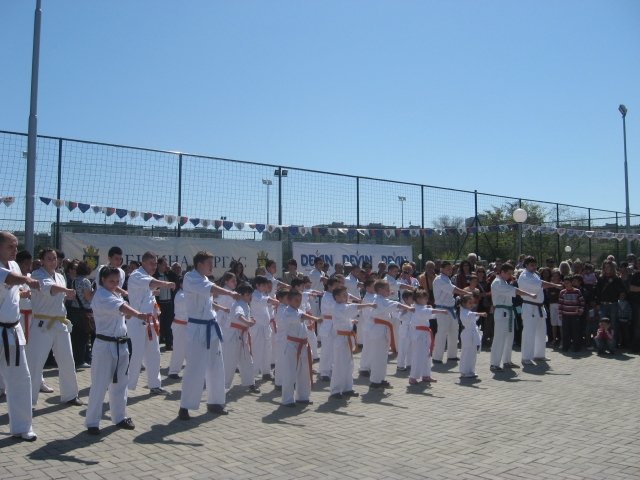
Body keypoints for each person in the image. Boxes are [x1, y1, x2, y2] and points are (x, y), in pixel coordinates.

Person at [85, 267, 151, 435]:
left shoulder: (115, 294)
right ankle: (92, 422)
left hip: (121, 344)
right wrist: (139, 315)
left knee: (121, 383)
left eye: (117, 281)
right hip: (104, 345)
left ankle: (120, 417)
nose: (114, 284)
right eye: (111, 281)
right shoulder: (101, 295)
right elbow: (123, 309)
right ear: (102, 280)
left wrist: (130, 312)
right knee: (100, 384)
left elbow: (124, 312)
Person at [178, 251, 238, 420]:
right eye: (209, 263)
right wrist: (230, 293)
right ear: (199, 264)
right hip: (197, 328)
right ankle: (185, 406)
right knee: (195, 368)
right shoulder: (190, 277)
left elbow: (210, 300)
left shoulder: (204, 279)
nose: (212, 266)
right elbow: (211, 289)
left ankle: (215, 402)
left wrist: (222, 306)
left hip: (211, 327)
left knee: (216, 366)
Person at [29, 248, 83, 408]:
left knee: (67, 360)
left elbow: (60, 297)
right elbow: (50, 288)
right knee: (35, 363)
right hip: (42, 324)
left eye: (54, 258)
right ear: (42, 261)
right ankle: (28, 400)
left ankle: (70, 395)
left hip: (60, 323)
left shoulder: (60, 276)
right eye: (49, 258)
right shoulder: (37, 275)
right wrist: (66, 291)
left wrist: (66, 293)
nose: (53, 261)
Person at [0, 231, 40, 441]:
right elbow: (8, 279)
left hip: (12, 330)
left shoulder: (15, 265)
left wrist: (23, 291)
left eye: (16, 246)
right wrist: (27, 279)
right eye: (10, 246)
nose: (15, 250)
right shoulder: (12, 272)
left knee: (21, 379)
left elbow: (13, 289)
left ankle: (22, 427)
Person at [126, 251, 175, 395]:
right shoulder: (136, 275)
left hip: (151, 322)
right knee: (136, 355)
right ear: (143, 262)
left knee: (154, 354)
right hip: (137, 321)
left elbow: (145, 294)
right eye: (151, 263)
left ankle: (155, 385)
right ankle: (125, 387)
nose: (154, 267)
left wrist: (153, 295)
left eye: (155, 264)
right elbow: (151, 283)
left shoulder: (147, 276)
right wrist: (166, 284)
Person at [329, 286, 376, 399]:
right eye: (344, 295)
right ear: (337, 297)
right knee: (339, 364)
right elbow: (352, 307)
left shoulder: (342, 306)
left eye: (346, 294)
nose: (346, 297)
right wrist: (369, 305)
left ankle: (347, 388)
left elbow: (345, 316)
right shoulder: (338, 307)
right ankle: (335, 390)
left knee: (349, 364)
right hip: (341, 339)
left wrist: (351, 321)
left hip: (347, 338)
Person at [489, 263, 537, 372]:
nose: (510, 276)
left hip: (509, 312)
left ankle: (507, 361)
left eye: (511, 273)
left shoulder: (504, 282)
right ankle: (494, 364)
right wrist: (529, 294)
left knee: (509, 338)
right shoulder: (497, 283)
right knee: (499, 339)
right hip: (501, 312)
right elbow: (515, 291)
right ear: (502, 272)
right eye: (508, 273)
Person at [517, 256, 563, 365]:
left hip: (539, 307)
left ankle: (539, 355)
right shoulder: (524, 276)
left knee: (541, 332)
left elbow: (540, 281)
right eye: (532, 265)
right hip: (529, 307)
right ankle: (526, 357)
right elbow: (540, 284)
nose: (534, 267)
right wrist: (555, 285)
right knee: (529, 332)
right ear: (526, 265)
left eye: (535, 265)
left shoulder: (534, 275)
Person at [369, 280, 414, 389]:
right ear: (380, 290)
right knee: (378, 356)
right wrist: (408, 307)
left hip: (383, 328)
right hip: (378, 330)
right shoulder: (378, 300)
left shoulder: (382, 299)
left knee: (383, 356)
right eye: (387, 289)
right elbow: (395, 304)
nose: (389, 291)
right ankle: (375, 381)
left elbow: (390, 303)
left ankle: (381, 378)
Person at [280, 290, 321, 407]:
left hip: (303, 345)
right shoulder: (287, 312)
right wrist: (315, 319)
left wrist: (310, 324)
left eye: (300, 300)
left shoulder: (299, 310)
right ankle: (287, 399)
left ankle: (302, 397)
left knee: (304, 372)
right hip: (292, 345)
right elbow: (302, 317)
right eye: (296, 300)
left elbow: (302, 320)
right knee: (290, 372)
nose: (298, 303)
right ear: (289, 301)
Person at [224, 284, 259, 393]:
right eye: (248, 295)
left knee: (247, 360)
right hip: (234, 336)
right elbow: (238, 315)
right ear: (241, 295)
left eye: (250, 294)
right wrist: (248, 322)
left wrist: (250, 319)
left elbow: (243, 315)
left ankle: (250, 383)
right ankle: (223, 386)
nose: (250, 297)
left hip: (242, 336)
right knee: (231, 362)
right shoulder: (238, 304)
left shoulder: (245, 304)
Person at [432, 261, 469, 364]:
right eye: (448, 268)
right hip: (442, 309)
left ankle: (452, 355)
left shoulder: (447, 279)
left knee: (454, 331)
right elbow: (453, 289)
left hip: (451, 309)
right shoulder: (439, 279)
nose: (450, 270)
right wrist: (467, 293)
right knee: (442, 332)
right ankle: (437, 357)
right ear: (441, 269)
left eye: (451, 268)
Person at [408, 290, 447, 385]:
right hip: (418, 334)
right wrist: (441, 311)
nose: (426, 300)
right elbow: (429, 312)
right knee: (418, 356)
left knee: (427, 355)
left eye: (426, 298)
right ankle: (413, 377)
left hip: (425, 333)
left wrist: (432, 309)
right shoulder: (416, 308)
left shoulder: (422, 308)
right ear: (418, 299)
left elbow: (431, 315)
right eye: (424, 298)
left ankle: (426, 375)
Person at [250, 275, 280, 381]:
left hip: (266, 327)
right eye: (263, 285)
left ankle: (266, 372)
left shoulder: (263, 294)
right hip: (257, 327)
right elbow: (267, 301)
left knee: (267, 350)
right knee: (257, 351)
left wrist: (275, 303)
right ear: (257, 285)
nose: (265, 287)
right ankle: (252, 377)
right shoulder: (254, 295)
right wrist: (277, 302)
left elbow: (268, 303)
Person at [154, 256, 179, 350]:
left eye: (167, 265)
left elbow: (176, 279)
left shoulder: (169, 275)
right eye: (164, 264)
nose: (166, 266)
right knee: (159, 324)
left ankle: (169, 344)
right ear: (159, 265)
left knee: (169, 324)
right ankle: (158, 342)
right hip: (159, 303)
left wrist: (170, 270)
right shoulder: (154, 276)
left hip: (169, 303)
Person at [458, 295, 487, 378]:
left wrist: (478, 315)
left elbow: (473, 317)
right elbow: (471, 315)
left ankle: (471, 370)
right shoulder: (463, 312)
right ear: (464, 304)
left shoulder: (468, 311)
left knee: (473, 353)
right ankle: (464, 371)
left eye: (472, 303)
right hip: (467, 334)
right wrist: (480, 314)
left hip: (473, 333)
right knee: (467, 353)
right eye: (469, 303)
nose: (472, 305)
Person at [318, 277, 340, 381]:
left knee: (334, 349)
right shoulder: (326, 296)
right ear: (329, 286)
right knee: (326, 350)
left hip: (335, 324)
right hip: (327, 324)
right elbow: (335, 308)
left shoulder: (334, 296)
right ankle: (324, 372)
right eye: (335, 285)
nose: (337, 287)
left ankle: (331, 370)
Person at [559, 275, 585, 352]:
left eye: (568, 283)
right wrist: (560, 314)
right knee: (566, 332)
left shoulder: (577, 291)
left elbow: (582, 302)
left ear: (571, 283)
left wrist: (581, 310)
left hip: (575, 315)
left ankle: (576, 347)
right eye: (565, 283)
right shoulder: (562, 292)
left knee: (575, 332)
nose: (566, 284)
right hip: (565, 315)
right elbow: (560, 304)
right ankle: (566, 347)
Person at [357, 278, 377, 377]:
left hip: (374, 325)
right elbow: (369, 313)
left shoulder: (374, 296)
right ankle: (364, 368)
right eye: (373, 286)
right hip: (369, 325)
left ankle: (370, 366)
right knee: (367, 347)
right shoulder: (368, 298)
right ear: (368, 288)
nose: (375, 287)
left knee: (373, 347)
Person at [168, 277, 187, 379]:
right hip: (180, 325)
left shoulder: (187, 294)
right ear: (181, 284)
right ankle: (173, 371)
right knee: (179, 349)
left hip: (187, 325)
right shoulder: (181, 295)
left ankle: (192, 370)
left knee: (190, 350)